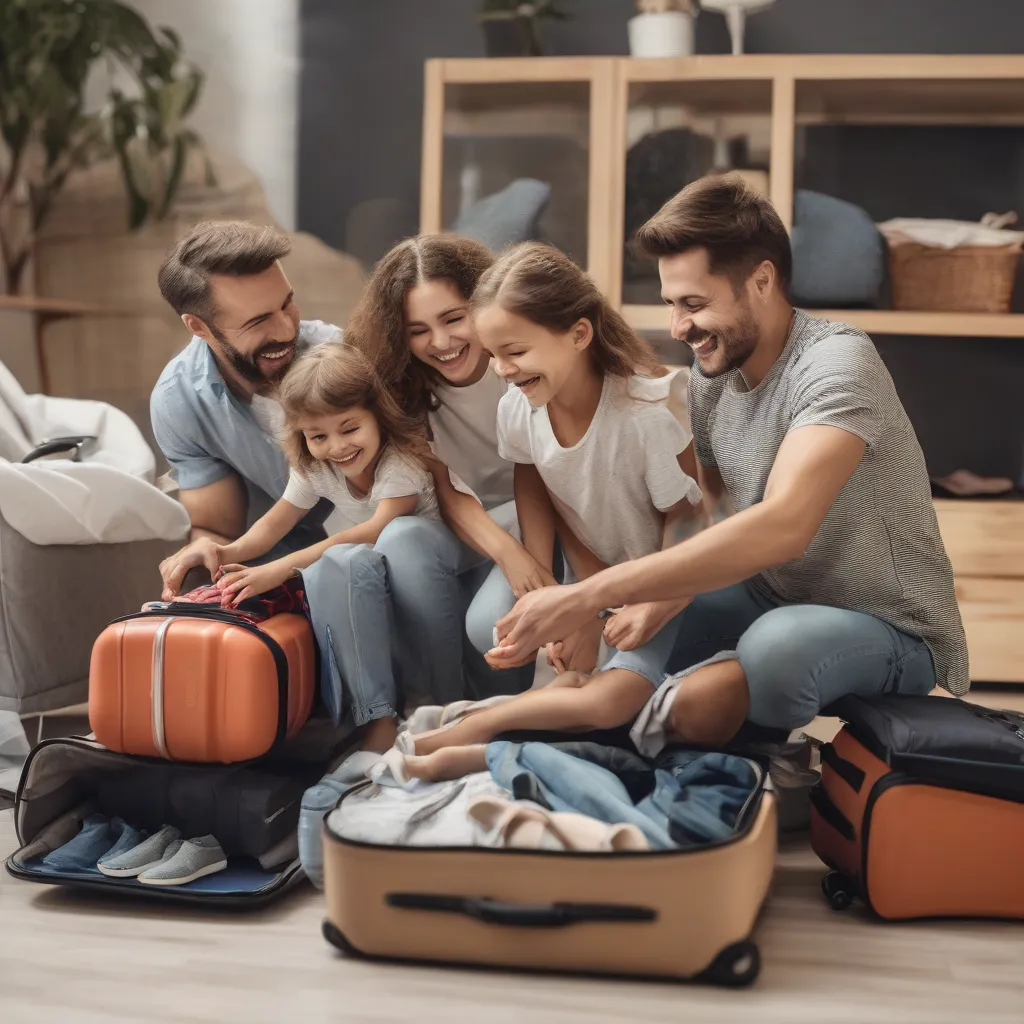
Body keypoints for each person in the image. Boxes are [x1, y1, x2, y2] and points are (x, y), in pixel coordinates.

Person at [487, 175, 968, 749]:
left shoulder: (837, 363)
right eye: (671, 304)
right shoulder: (713, 380)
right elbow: (707, 514)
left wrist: (585, 593)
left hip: (891, 626)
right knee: (630, 629)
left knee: (770, 650)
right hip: (767, 596)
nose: (677, 327)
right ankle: (612, 728)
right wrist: (644, 601)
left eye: (694, 304)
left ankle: (719, 714)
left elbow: (784, 526)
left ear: (761, 280)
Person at [387, 242, 705, 776]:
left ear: (579, 335)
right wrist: (571, 598)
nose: (501, 370)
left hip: (668, 589)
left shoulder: (644, 416)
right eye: (493, 354)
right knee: (573, 687)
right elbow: (540, 483)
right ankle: (474, 748)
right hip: (606, 586)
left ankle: (468, 731)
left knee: (605, 701)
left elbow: (689, 525)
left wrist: (637, 606)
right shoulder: (521, 408)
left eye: (514, 352)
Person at [185, 344, 454, 753]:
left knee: (356, 548)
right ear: (301, 434)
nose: (337, 446)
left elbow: (378, 530)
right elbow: (275, 522)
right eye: (318, 436)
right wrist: (223, 551)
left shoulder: (400, 462)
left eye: (350, 428)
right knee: (336, 564)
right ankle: (374, 717)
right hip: (389, 560)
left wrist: (281, 568)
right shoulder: (316, 465)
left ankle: (427, 704)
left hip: (438, 551)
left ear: (377, 416)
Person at [348, 234, 563, 701]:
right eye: (418, 329)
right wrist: (507, 553)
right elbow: (446, 491)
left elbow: (543, 482)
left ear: (482, 304)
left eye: (453, 318)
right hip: (470, 523)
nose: (441, 343)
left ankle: (499, 716)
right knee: (401, 537)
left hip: (544, 516)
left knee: (489, 625)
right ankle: (437, 707)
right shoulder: (403, 386)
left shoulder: (521, 360)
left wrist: (526, 559)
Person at [151, 220, 341, 600]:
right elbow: (217, 528)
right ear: (198, 327)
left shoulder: (343, 358)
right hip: (281, 556)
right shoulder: (180, 402)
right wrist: (203, 558)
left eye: (286, 303)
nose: (286, 329)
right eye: (258, 321)